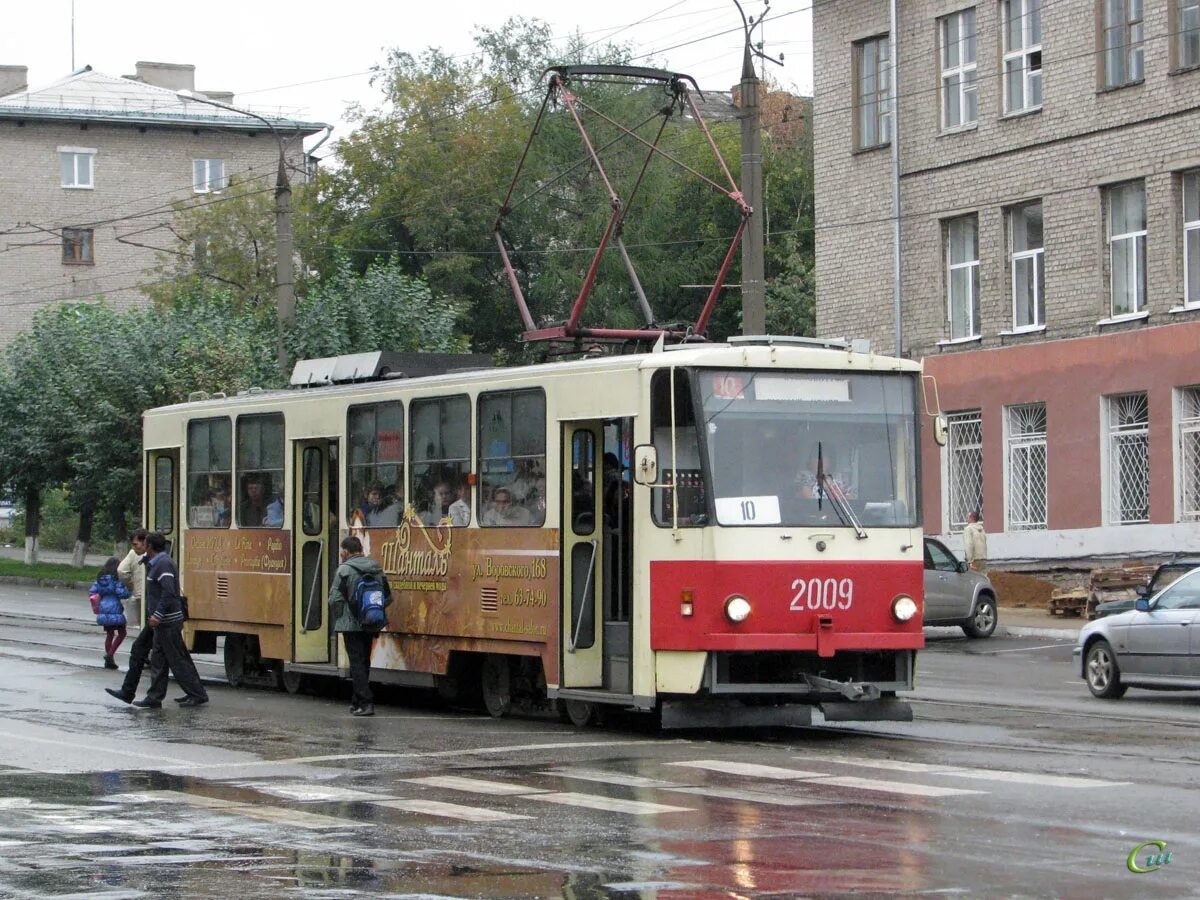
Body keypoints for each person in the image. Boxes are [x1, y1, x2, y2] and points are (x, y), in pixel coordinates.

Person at [132, 532, 209, 709]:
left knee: (177, 659)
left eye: (145, 544)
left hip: (167, 622)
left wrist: (157, 615)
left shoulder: (163, 564)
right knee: (158, 659)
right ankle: (154, 697)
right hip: (163, 623)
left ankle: (197, 694)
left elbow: (168, 592)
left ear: (150, 546)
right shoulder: (157, 563)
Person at [327, 535, 393, 716]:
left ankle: (366, 702)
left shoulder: (344, 570)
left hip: (351, 624)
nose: (341, 554)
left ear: (346, 552)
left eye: (342, 551)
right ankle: (356, 701)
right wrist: (371, 611)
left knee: (356, 662)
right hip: (372, 621)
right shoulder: (376, 568)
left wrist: (344, 614)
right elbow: (388, 597)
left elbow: (334, 598)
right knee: (364, 661)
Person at [91, 557, 130, 670]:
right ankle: (110, 655)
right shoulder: (116, 580)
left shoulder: (100, 580)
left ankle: (110, 661)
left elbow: (92, 592)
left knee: (110, 634)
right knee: (122, 633)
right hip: (115, 609)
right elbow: (122, 594)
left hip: (103, 608)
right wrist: (128, 590)